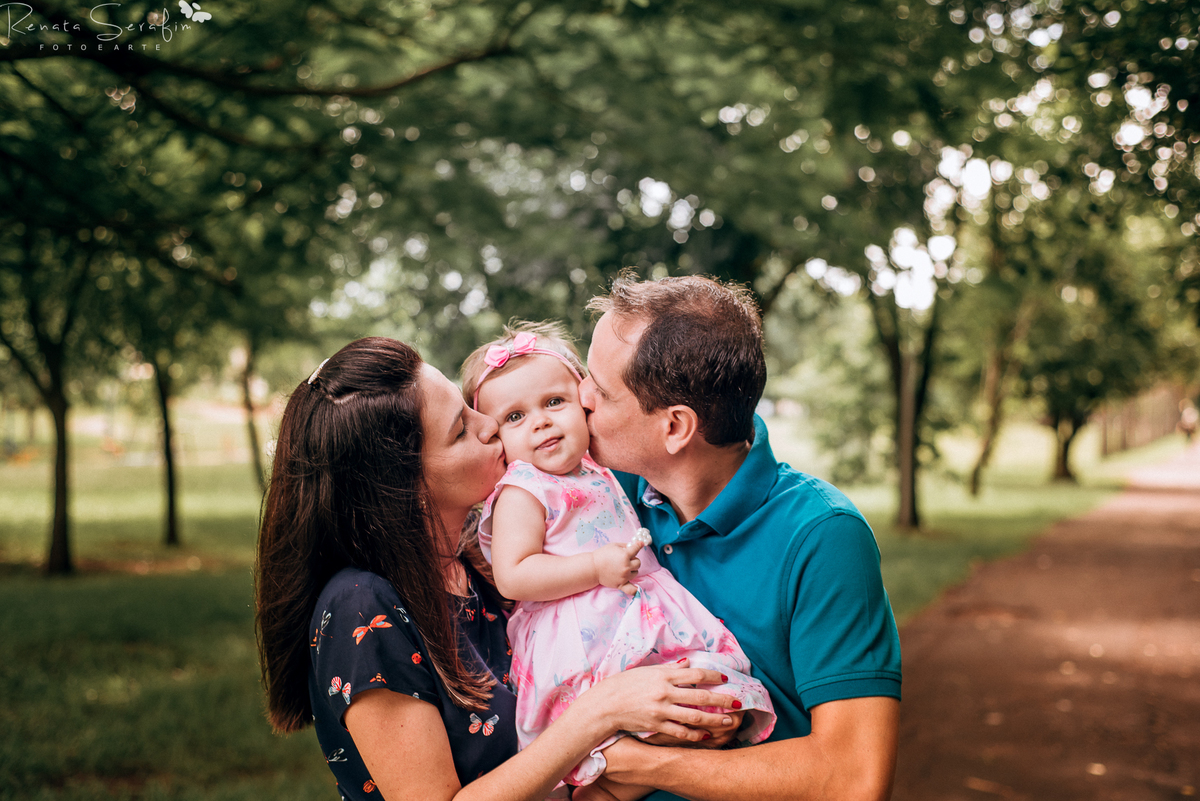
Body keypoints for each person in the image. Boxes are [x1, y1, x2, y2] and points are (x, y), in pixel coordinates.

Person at [254, 336, 743, 801]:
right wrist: (601, 712)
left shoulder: (478, 562)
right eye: (462, 428)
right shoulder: (363, 608)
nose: (488, 425)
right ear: (405, 483)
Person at [577, 272, 903, 801]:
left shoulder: (822, 537)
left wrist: (643, 764)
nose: (580, 396)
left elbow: (854, 777)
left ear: (676, 427)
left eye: (601, 389)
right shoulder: (601, 493)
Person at [461, 322, 776, 801]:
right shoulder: (523, 489)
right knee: (612, 733)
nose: (541, 423)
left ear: (584, 402)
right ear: (494, 437)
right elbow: (514, 575)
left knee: (716, 709)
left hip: (639, 616)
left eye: (553, 403)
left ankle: (629, 773)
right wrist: (595, 568)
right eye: (514, 417)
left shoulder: (601, 467)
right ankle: (602, 785)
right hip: (581, 636)